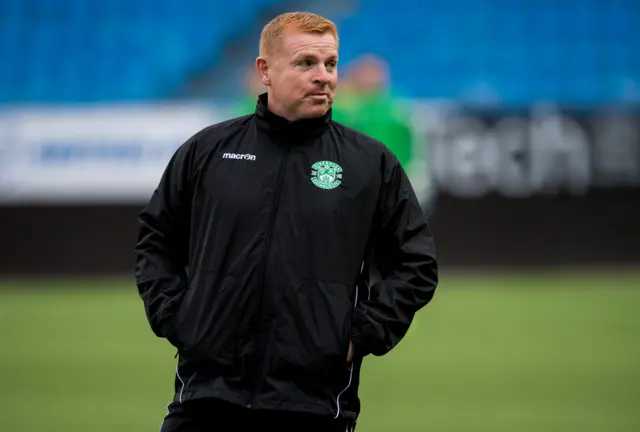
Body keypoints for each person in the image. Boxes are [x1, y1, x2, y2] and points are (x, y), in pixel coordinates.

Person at [134, 11, 438, 432]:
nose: (323, 76)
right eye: (305, 63)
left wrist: (361, 334)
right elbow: (156, 239)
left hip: (313, 405)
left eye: (330, 64)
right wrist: (176, 316)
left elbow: (416, 264)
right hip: (205, 399)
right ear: (265, 70)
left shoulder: (369, 163)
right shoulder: (207, 151)